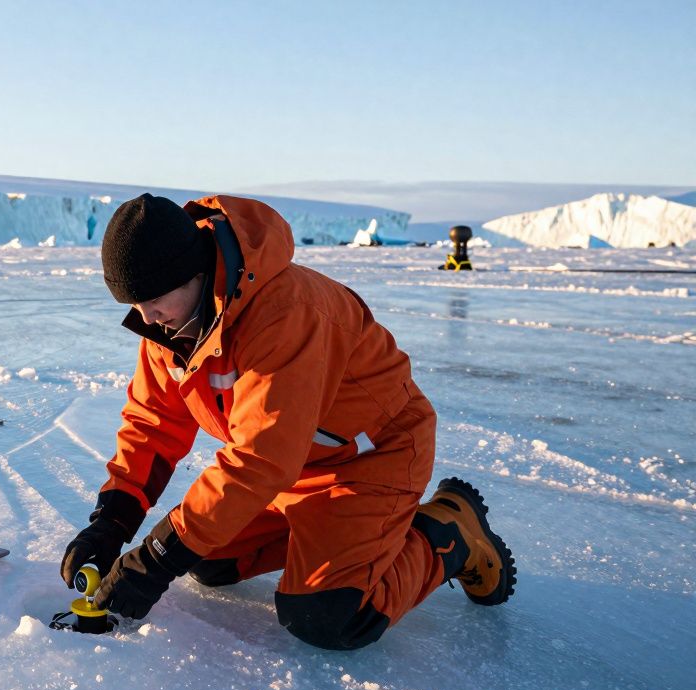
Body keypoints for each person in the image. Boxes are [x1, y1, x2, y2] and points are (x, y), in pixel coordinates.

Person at [59, 193, 515, 650]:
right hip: (291, 469)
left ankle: (446, 533)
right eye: (135, 304)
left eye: (155, 300)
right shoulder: (171, 327)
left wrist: (157, 557)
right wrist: (113, 520)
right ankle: (336, 539)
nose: (147, 319)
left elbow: (260, 457)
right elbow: (153, 423)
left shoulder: (284, 313)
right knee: (209, 560)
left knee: (324, 616)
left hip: (371, 460)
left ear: (195, 272)